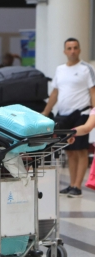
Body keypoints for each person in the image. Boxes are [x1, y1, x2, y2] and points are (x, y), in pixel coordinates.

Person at [42, 38, 95, 198]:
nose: (72, 51)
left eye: (75, 48)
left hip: (82, 114)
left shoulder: (87, 69)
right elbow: (55, 93)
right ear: (65, 51)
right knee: (70, 152)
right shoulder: (60, 70)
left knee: (80, 150)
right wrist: (46, 112)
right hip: (64, 115)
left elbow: (93, 91)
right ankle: (71, 184)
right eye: (69, 48)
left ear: (79, 50)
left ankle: (77, 186)